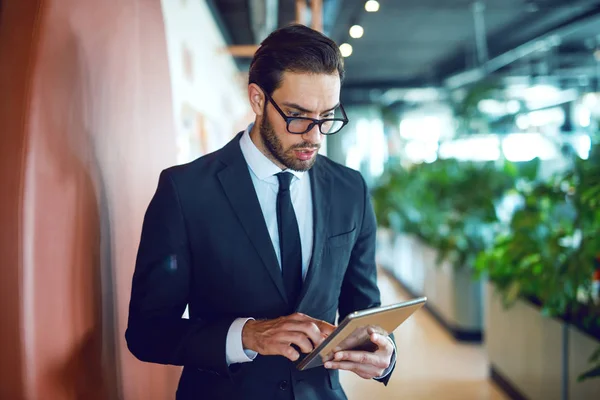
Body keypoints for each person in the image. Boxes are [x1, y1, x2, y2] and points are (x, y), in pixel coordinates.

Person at [125, 23, 397, 400]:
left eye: (327, 116)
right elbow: (147, 333)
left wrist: (385, 351)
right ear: (257, 99)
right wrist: (247, 335)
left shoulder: (351, 189)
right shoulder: (185, 191)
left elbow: (364, 308)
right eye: (297, 115)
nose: (315, 136)